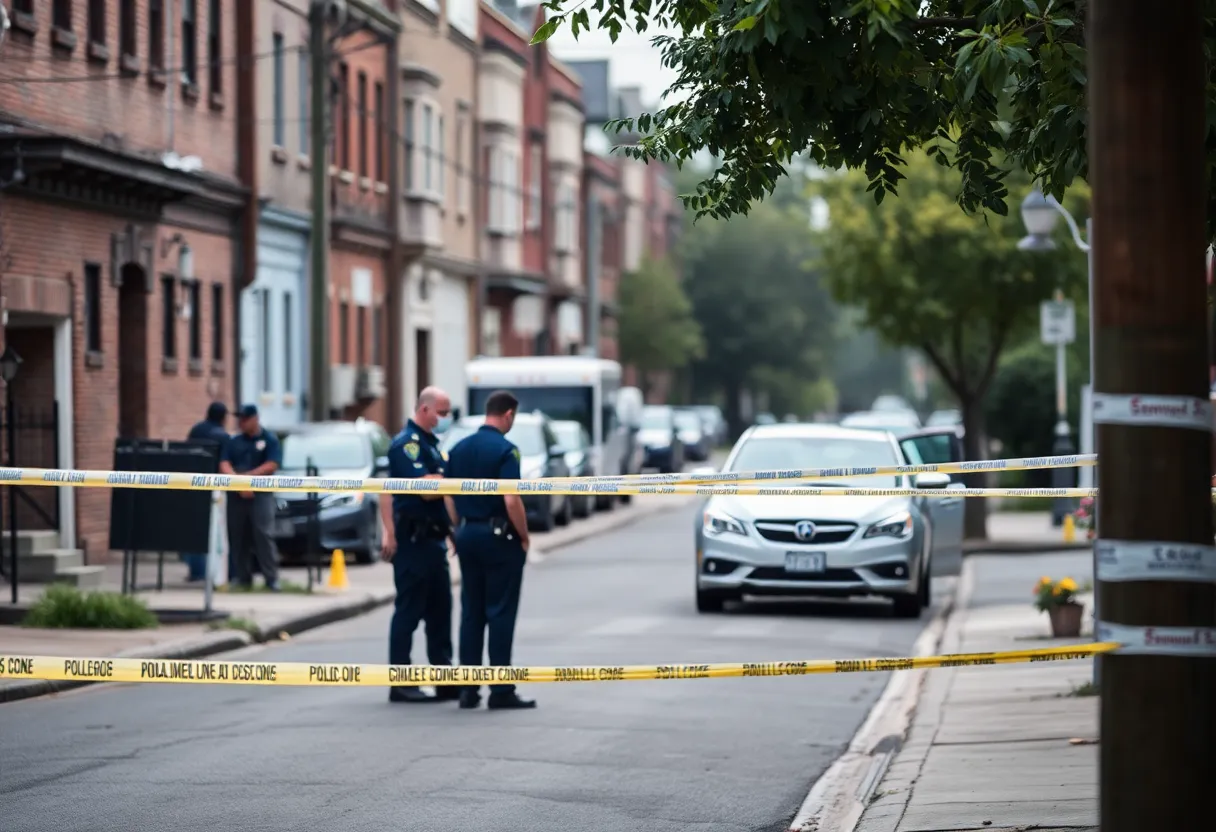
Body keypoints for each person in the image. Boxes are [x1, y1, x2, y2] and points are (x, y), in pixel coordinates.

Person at [445, 389, 535, 711]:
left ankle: (468, 690)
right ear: (509, 414)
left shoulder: (458, 449)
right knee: (500, 612)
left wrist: (458, 529)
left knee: (472, 611)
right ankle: (501, 690)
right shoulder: (507, 451)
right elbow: (511, 498)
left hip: (468, 534)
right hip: (499, 538)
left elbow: (448, 496)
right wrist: (524, 536)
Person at [381, 386, 459, 704]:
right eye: (442, 412)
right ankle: (401, 681)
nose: (444, 418)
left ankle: (444, 679)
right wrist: (449, 478)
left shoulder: (431, 446)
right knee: (409, 612)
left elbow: (438, 493)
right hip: (413, 542)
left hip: (434, 540)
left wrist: (452, 530)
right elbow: (425, 491)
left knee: (441, 613)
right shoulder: (406, 446)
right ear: (425, 409)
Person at [219, 404, 282, 591]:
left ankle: (271, 578)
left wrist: (249, 479)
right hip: (237, 494)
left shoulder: (269, 439)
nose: (242, 422)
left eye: (246, 419)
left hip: (260, 494)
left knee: (263, 534)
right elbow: (224, 463)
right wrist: (238, 482)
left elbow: (272, 464)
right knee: (238, 536)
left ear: (256, 419)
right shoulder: (233, 441)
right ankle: (242, 577)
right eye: (240, 419)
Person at [183, 402, 230, 582]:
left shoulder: (196, 430)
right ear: (223, 417)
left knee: (195, 529)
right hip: (214, 487)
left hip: (193, 484)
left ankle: (197, 572)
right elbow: (223, 463)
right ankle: (219, 574)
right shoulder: (223, 436)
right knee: (217, 531)